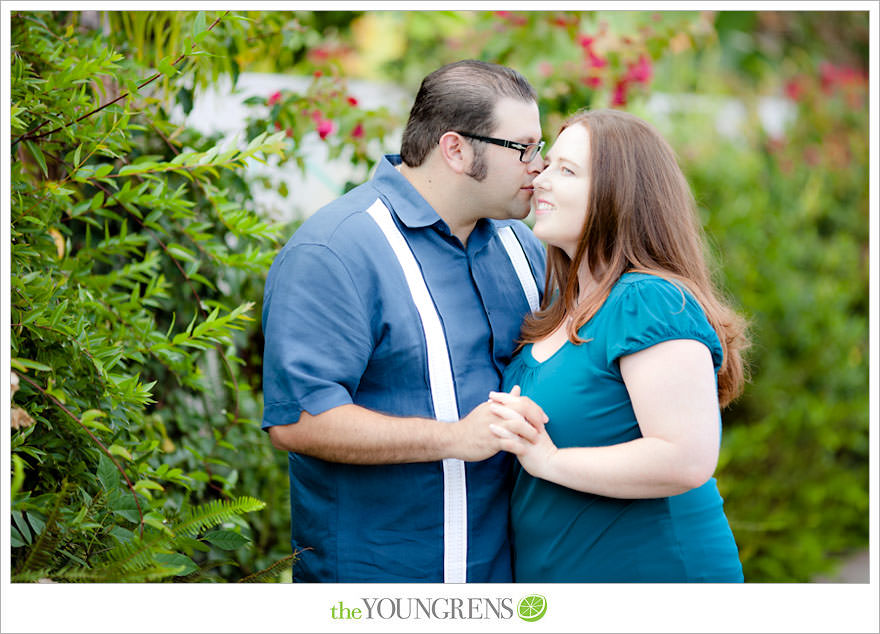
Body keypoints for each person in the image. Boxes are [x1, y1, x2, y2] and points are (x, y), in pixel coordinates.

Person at [261, 60, 550, 583]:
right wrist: (454, 438)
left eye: (541, 149)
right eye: (524, 149)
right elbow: (297, 419)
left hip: (512, 579)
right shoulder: (337, 249)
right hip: (382, 580)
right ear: (456, 149)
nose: (539, 167)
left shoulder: (522, 247)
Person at [487, 109, 749, 582]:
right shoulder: (557, 309)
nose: (540, 180)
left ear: (620, 193)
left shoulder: (647, 299)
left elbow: (686, 459)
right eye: (548, 165)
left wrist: (549, 461)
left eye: (566, 171)